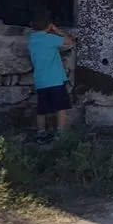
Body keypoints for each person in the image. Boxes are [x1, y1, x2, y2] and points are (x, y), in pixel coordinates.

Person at [28, 9, 74, 145]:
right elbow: (69, 42)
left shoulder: (31, 40)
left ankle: (41, 133)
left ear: (31, 25)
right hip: (55, 80)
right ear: (49, 25)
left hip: (41, 81)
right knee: (61, 107)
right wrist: (56, 29)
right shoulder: (51, 39)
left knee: (42, 109)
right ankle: (61, 132)